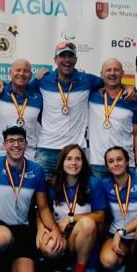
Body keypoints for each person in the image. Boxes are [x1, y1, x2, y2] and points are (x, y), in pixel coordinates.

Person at [0, 126, 65, 272]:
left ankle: (2, 266)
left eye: (20, 141)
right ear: (4, 144)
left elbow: (43, 208)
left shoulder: (36, 170)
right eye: (11, 141)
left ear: (26, 144)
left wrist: (54, 230)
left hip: (22, 230)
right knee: (4, 237)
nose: (16, 145)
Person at [40, 144, 106, 272]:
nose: (73, 163)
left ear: (84, 162)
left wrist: (72, 218)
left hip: (82, 238)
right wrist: (45, 230)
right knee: (49, 247)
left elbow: (100, 217)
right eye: (69, 159)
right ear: (62, 162)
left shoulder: (93, 183)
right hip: (60, 236)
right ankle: (60, 265)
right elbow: (42, 210)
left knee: (88, 223)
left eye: (78, 159)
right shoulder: (52, 184)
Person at [33, 42, 103, 178]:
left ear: (76, 59)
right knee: (42, 192)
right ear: (55, 60)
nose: (66, 60)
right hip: (47, 149)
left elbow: (112, 83)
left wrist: (129, 88)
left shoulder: (87, 80)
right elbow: (19, 88)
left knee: (74, 192)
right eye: (62, 56)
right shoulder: (43, 80)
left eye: (70, 56)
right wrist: (1, 84)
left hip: (75, 150)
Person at [88, 58, 137, 178]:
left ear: (122, 73)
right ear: (101, 74)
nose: (112, 73)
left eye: (116, 70)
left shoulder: (134, 100)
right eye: (108, 70)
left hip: (125, 163)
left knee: (127, 197)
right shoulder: (91, 95)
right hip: (97, 164)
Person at [0, 59, 43, 161]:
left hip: (29, 156)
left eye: (26, 71)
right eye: (18, 70)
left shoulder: (38, 98)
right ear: (10, 73)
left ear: (31, 74)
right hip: (0, 154)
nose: (21, 74)